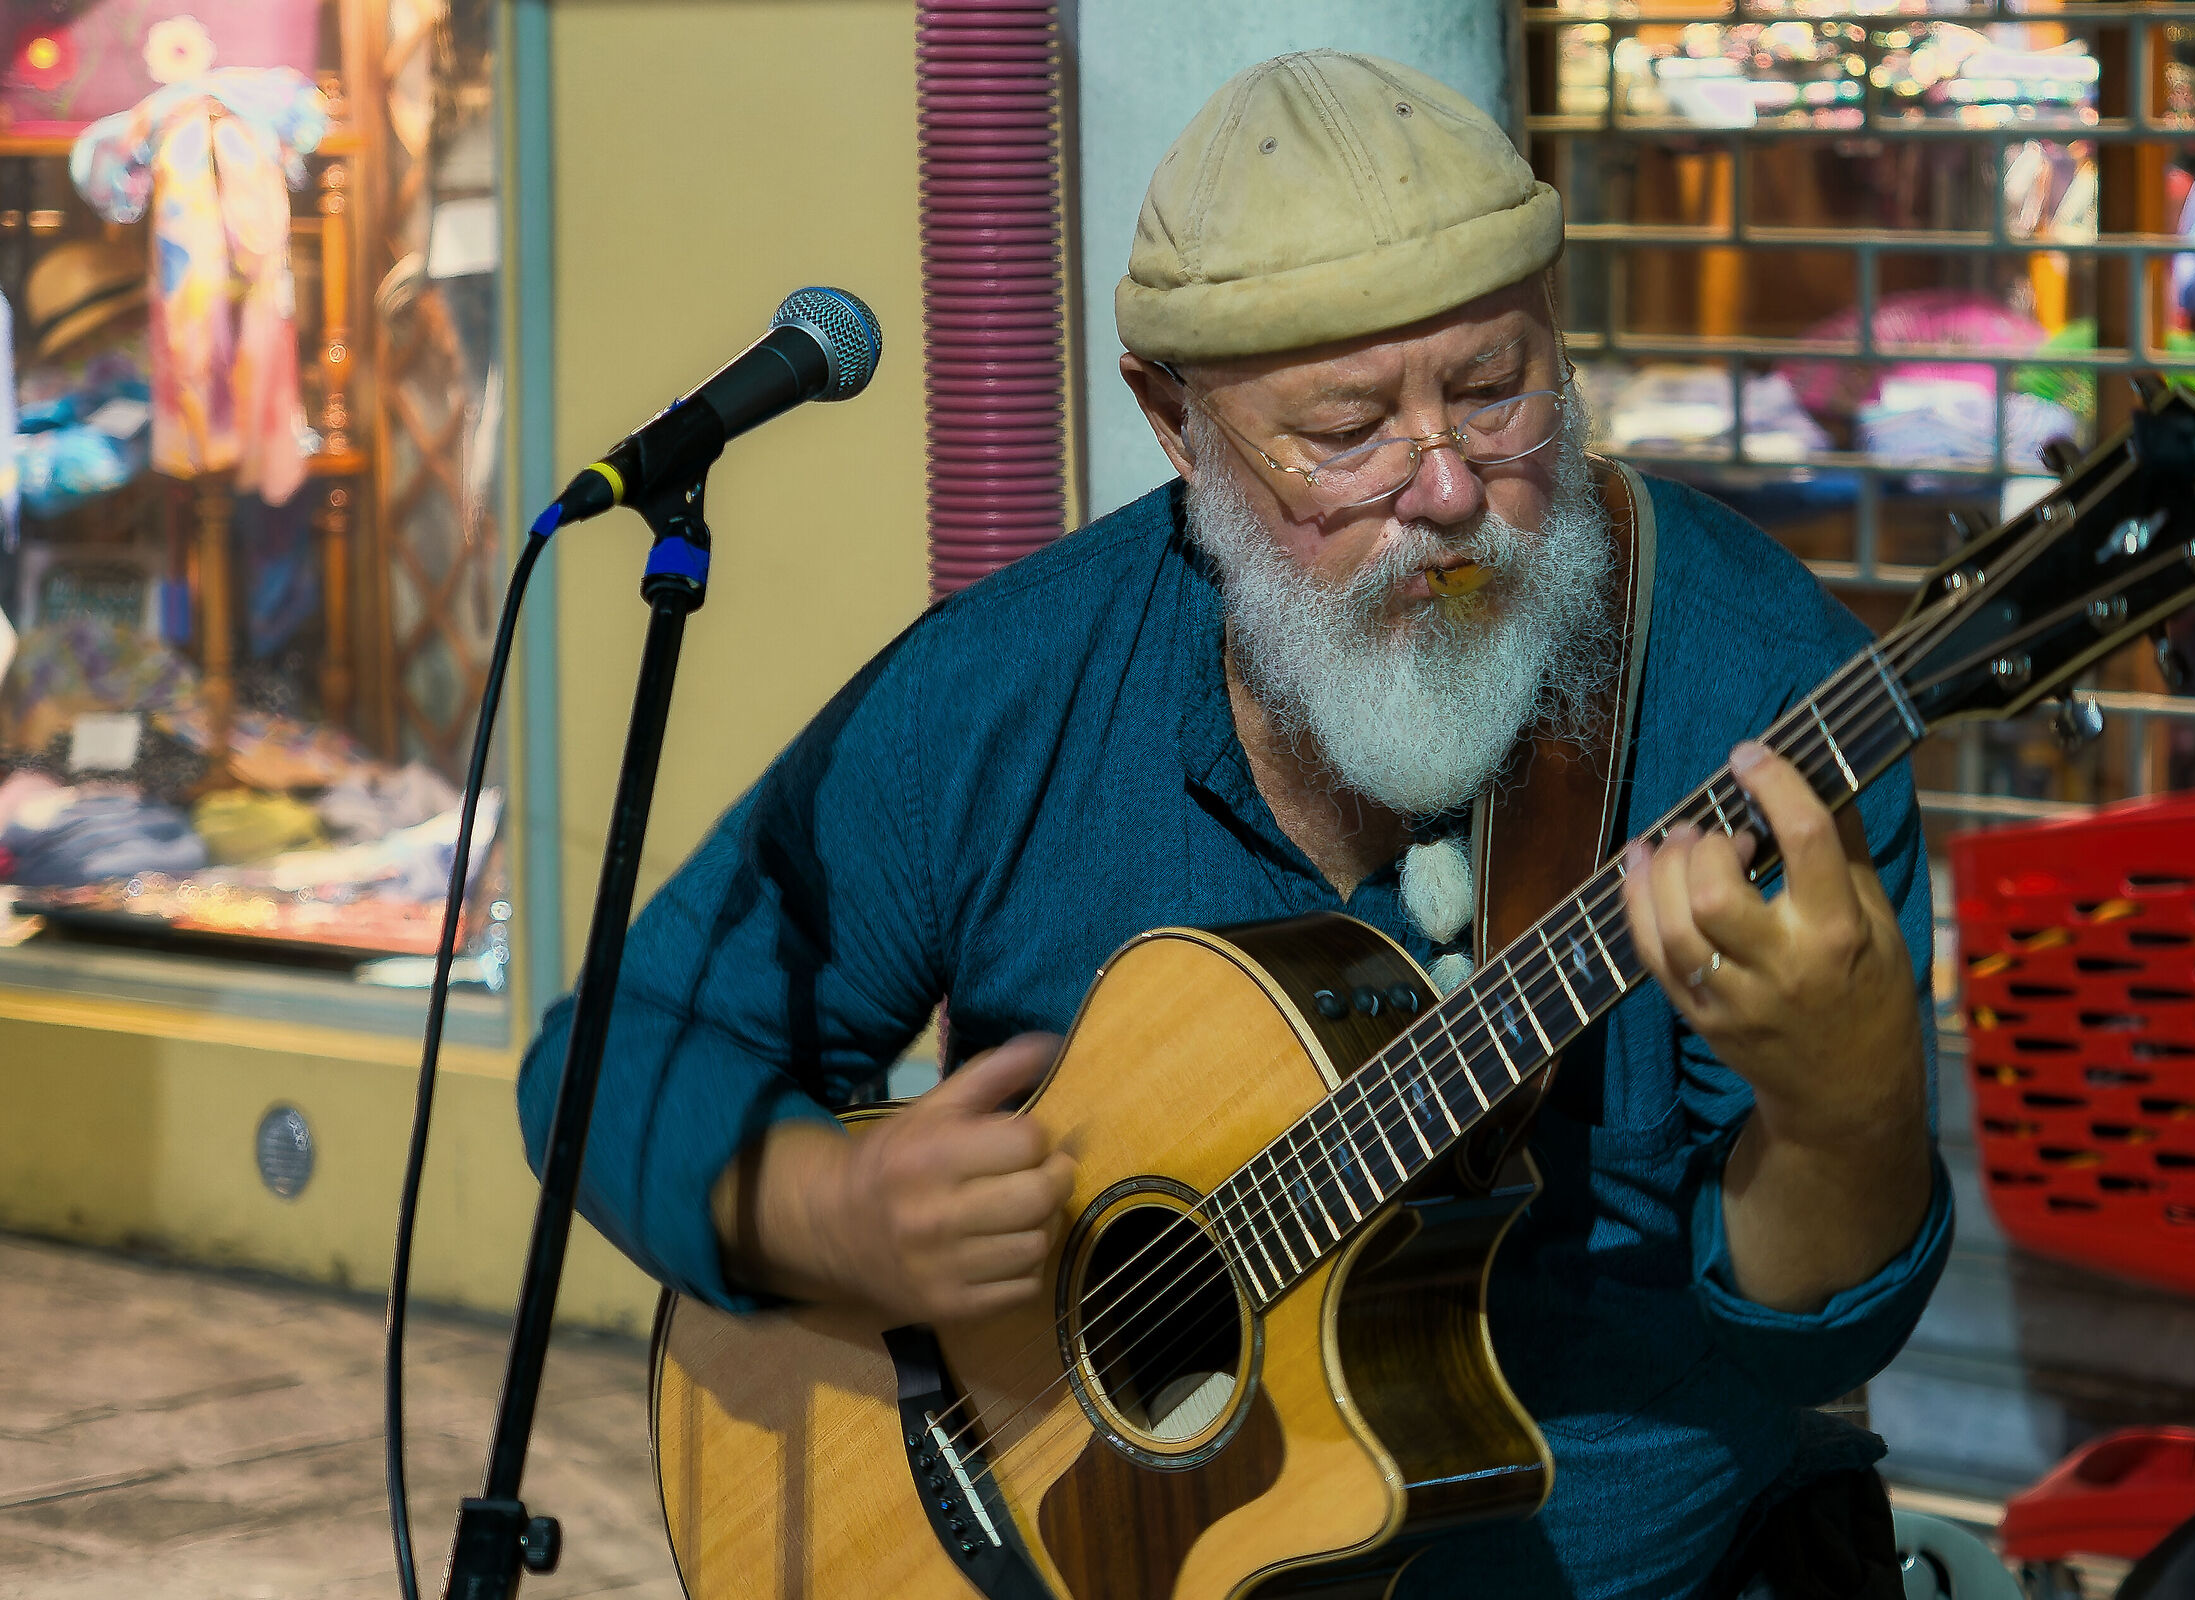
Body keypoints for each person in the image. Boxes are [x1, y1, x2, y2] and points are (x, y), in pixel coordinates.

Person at [519, 50, 1950, 1600]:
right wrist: (830, 1213)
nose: (1450, 490)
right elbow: (608, 1060)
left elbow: (1831, 1321)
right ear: (1174, 422)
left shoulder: (1752, 694)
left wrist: (1847, 1109)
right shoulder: (1012, 688)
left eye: (1493, 389)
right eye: (1345, 430)